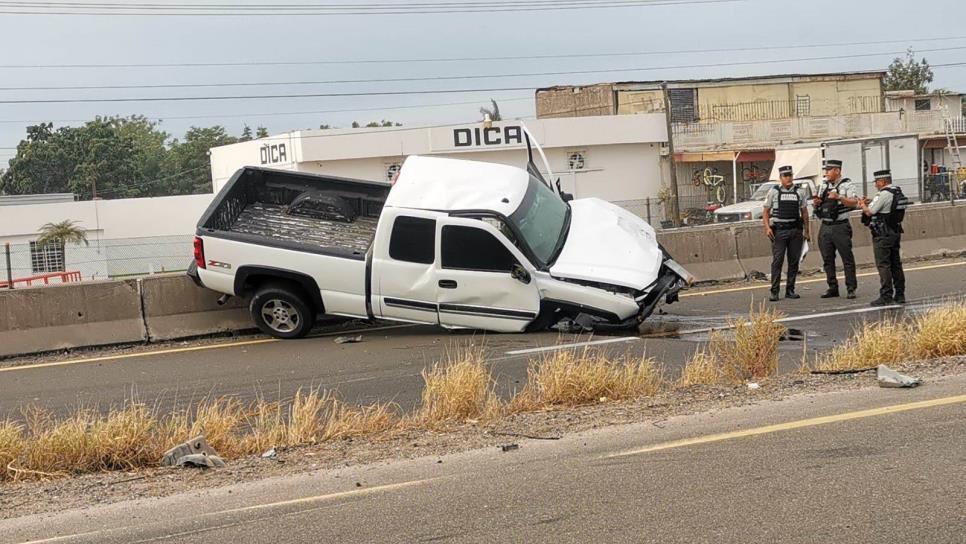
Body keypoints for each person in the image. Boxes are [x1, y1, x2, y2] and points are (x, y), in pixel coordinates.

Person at [859, 169, 907, 306]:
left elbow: (870, 212)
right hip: (895, 231)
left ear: (883, 181)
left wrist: (863, 205)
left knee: (884, 265)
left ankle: (886, 295)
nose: (875, 185)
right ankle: (900, 294)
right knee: (896, 264)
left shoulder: (884, 194)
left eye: (877, 182)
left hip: (882, 234)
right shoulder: (897, 191)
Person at [812, 159, 859, 299]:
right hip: (826, 226)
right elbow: (818, 205)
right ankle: (832, 287)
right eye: (826, 170)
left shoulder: (847, 185)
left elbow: (854, 202)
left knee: (847, 258)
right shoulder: (823, 186)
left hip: (840, 226)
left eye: (829, 170)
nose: (826, 173)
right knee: (827, 258)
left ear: (837, 171)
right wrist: (816, 203)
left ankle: (851, 288)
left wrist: (839, 197)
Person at [762, 165, 809, 302]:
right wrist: (767, 228)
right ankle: (774, 291)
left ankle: (790, 290)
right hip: (779, 231)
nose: (788, 178)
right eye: (785, 176)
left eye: (790, 175)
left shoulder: (800, 192)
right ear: (780, 178)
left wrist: (807, 230)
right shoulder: (773, 191)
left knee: (793, 261)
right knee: (778, 261)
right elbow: (765, 211)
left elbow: (804, 212)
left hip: (795, 230)